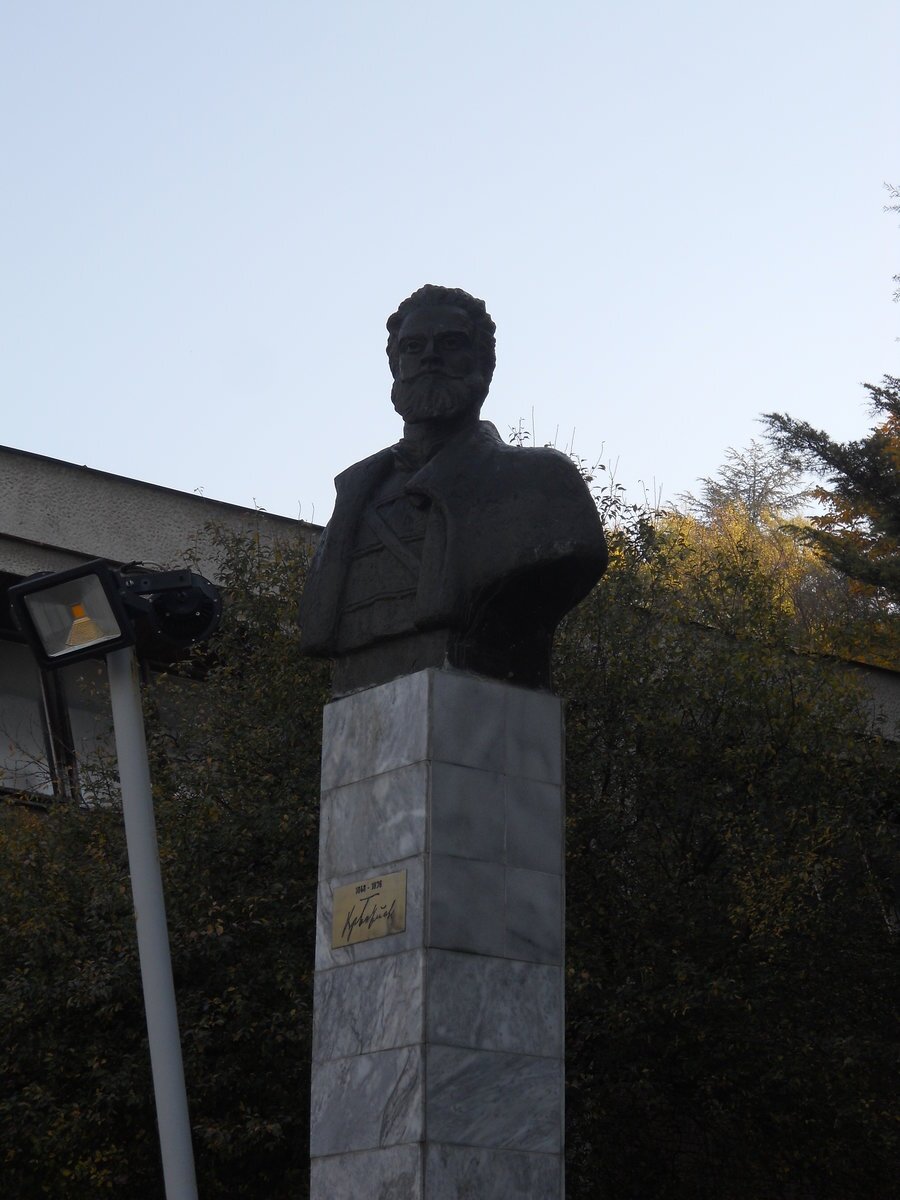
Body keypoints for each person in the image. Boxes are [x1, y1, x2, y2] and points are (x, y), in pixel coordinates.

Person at [299, 285, 607, 694]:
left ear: (484, 363)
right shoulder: (356, 498)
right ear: (395, 366)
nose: (430, 357)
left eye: (450, 343)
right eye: (413, 346)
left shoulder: (542, 482)